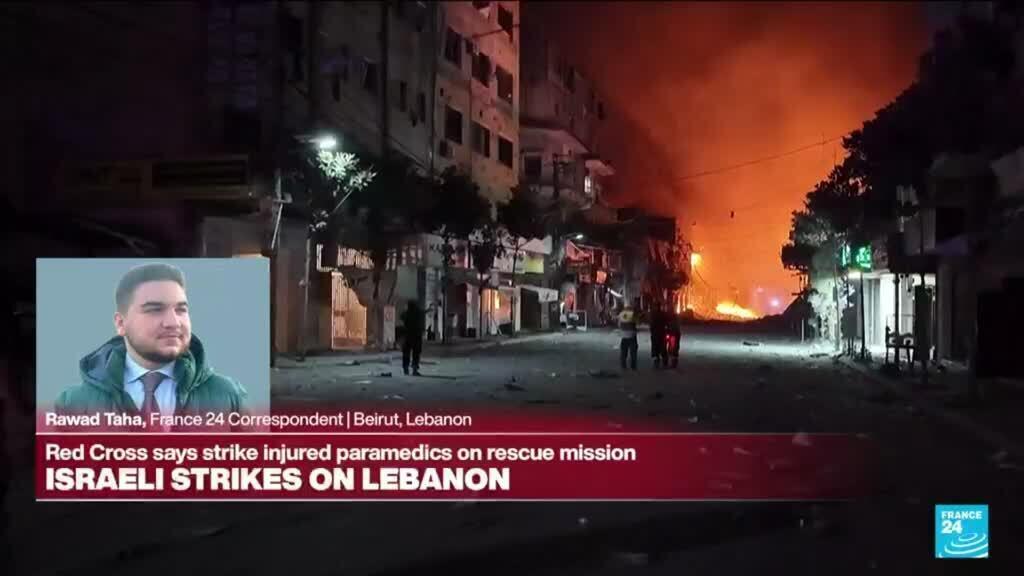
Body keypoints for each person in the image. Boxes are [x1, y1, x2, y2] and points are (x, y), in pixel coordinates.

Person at [55, 263, 248, 431]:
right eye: (155, 310)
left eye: (181, 309)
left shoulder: (227, 395)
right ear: (121, 323)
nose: (173, 322)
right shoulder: (73, 403)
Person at [401, 300, 425, 375]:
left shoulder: (406, 313)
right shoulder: (418, 313)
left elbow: (401, 316)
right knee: (416, 353)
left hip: (408, 335)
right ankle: (414, 369)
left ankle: (406, 368)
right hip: (416, 336)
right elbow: (422, 313)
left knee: (406, 353)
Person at [618, 299, 639, 370]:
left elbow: (619, 324)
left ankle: (623, 365)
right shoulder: (633, 313)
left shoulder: (621, 314)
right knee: (633, 352)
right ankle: (633, 366)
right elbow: (637, 322)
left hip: (623, 335)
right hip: (632, 335)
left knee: (623, 351)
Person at [649, 301, 667, 368]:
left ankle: (656, 360)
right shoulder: (663, 314)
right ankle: (665, 360)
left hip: (655, 333)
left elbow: (651, 324)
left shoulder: (653, 314)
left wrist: (651, 330)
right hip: (662, 333)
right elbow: (666, 322)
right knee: (663, 347)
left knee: (654, 347)